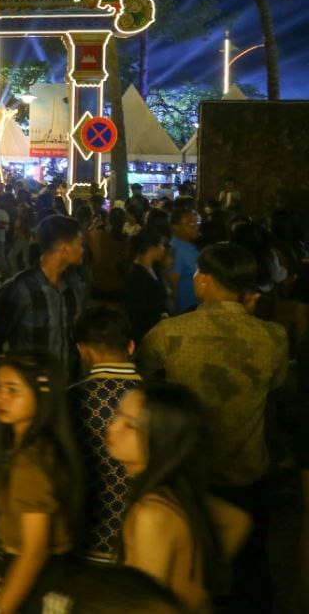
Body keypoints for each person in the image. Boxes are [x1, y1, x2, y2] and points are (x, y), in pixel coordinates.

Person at [137, 241, 287, 609]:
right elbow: (277, 390)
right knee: (251, 566)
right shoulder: (273, 337)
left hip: (190, 473)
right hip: (247, 470)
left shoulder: (169, 333)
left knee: (190, 569)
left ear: (204, 280)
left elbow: (140, 381)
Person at [104, 382, 251, 611]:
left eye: (130, 425)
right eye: (116, 415)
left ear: (162, 438)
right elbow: (238, 520)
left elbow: (146, 607)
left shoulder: (151, 514)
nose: (112, 427)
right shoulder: (175, 493)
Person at [0, 351, 82, 612]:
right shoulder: (38, 448)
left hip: (32, 583)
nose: (1, 397)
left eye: (13, 390)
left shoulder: (30, 462)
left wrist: (1, 608)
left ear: (41, 396)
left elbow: (34, 552)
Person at [67, 304, 141, 564]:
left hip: (85, 538)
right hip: (140, 542)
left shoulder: (70, 399)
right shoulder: (157, 399)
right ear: (131, 347)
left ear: (81, 350)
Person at [0, 214, 89, 381]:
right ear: (64, 247)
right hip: (32, 388)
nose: (82, 249)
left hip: (68, 387)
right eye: (79, 243)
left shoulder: (74, 287)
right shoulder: (20, 289)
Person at [123, 228, 171, 344]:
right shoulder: (138, 275)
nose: (164, 249)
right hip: (145, 332)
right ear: (151, 247)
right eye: (161, 245)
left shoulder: (152, 268)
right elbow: (142, 310)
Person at [165, 207, 201, 314]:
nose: (196, 227)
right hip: (186, 309)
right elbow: (172, 284)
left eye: (197, 223)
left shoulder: (187, 245)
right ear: (175, 227)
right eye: (191, 224)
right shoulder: (176, 250)